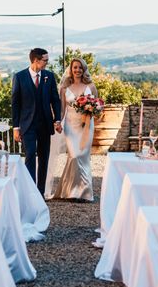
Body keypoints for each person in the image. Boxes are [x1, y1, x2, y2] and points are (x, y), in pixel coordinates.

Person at [12, 48, 62, 195]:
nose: (47, 63)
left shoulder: (49, 76)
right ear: (35, 60)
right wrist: (16, 127)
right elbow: (15, 103)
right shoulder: (19, 77)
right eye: (45, 60)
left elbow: (55, 100)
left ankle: (40, 193)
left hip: (45, 125)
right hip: (27, 125)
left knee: (44, 157)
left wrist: (57, 119)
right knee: (30, 156)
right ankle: (30, 192)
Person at [51, 57, 96, 202]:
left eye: (80, 67)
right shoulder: (64, 88)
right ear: (71, 69)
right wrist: (58, 122)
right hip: (70, 125)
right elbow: (63, 109)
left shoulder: (91, 86)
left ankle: (84, 192)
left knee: (83, 156)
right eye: (75, 67)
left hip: (86, 125)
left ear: (84, 70)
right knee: (74, 156)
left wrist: (92, 111)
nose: (77, 70)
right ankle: (71, 190)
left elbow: (97, 106)